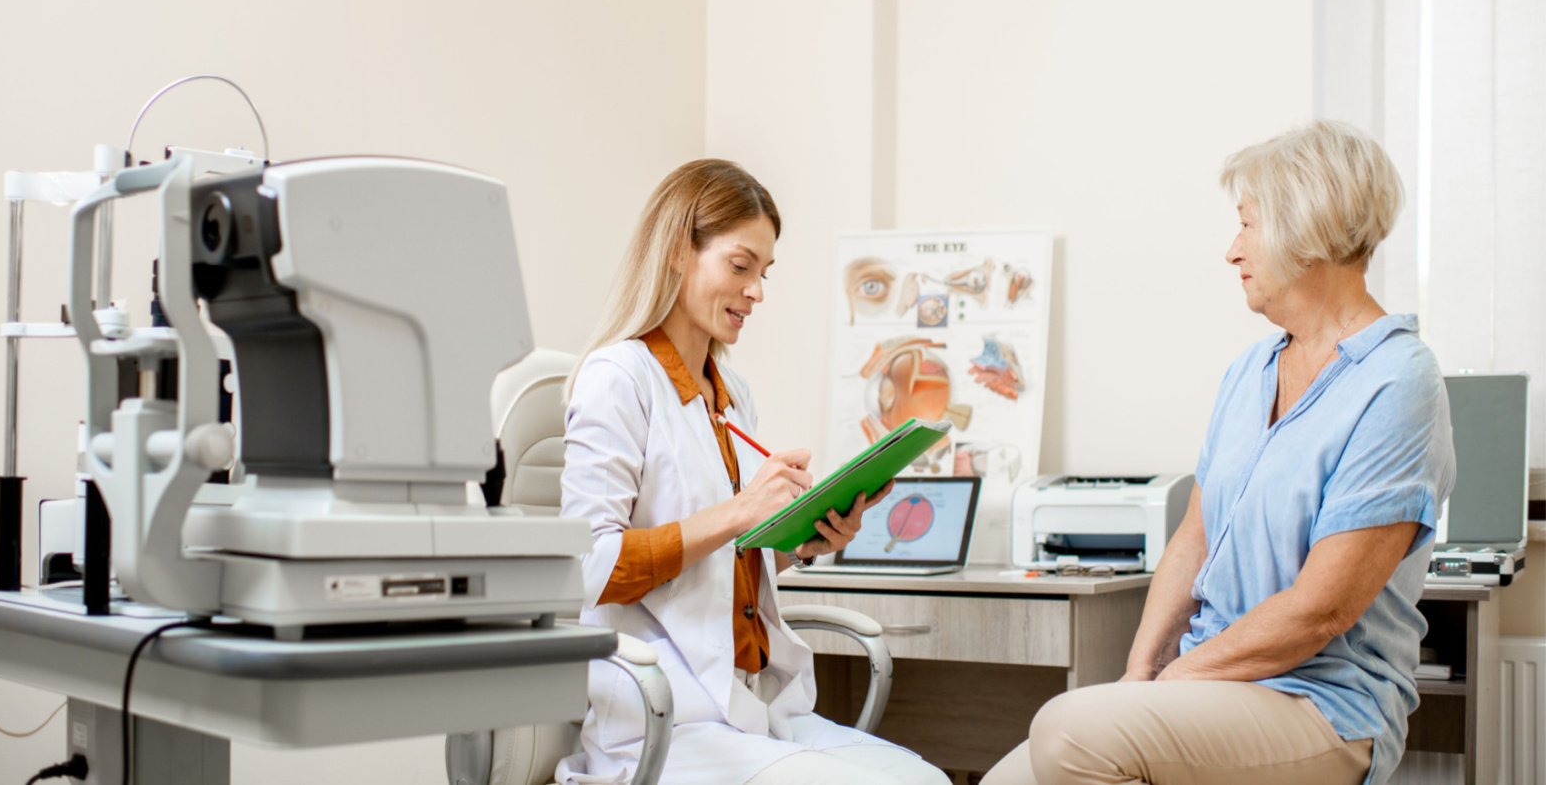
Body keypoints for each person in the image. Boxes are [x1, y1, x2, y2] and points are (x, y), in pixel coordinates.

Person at [983, 120, 1455, 785]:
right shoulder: (1250, 372)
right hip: (1209, 686)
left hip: (1320, 705)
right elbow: (1192, 542)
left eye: (1247, 225)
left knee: (1067, 732)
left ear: (1306, 227)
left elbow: (1321, 610)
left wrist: (1173, 681)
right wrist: (1137, 677)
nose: (1232, 251)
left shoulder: (1398, 380)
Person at [557, 159, 950, 785]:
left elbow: (725, 566)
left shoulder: (731, 394)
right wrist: (743, 508)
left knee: (925, 780)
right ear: (679, 253)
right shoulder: (619, 379)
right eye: (741, 266)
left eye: (763, 273)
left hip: (755, 708)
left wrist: (807, 541)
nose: (758, 291)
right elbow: (588, 567)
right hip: (664, 725)